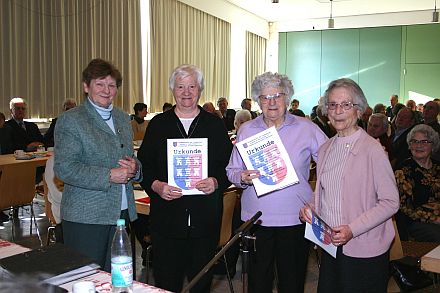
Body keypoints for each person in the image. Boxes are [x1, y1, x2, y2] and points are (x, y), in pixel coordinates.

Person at [226, 72, 328, 293]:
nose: (271, 102)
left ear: (287, 98)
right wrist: (242, 177)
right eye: (265, 97)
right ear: (258, 101)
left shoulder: (306, 128)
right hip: (256, 219)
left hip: (295, 217)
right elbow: (231, 171)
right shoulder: (247, 129)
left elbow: (332, 164)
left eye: (277, 96)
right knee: (258, 283)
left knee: (292, 282)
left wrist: (319, 198)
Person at [137, 64, 232, 293]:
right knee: (167, 282)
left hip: (204, 220)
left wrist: (216, 181)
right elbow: (144, 166)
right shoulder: (158, 124)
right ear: (172, 90)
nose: (186, 92)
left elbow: (229, 166)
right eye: (180, 86)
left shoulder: (214, 124)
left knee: (201, 284)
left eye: (192, 86)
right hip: (167, 220)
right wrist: (156, 186)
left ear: (200, 89)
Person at [299, 78, 399, 293]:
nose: (338, 111)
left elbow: (391, 202)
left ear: (359, 110)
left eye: (346, 104)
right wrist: (310, 209)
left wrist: (352, 230)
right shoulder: (326, 147)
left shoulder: (373, 150)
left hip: (365, 249)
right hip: (330, 246)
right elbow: (324, 193)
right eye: (333, 105)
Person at [54, 58, 141, 272]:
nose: (106, 90)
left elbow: (129, 157)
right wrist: (109, 175)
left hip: (119, 212)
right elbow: (65, 168)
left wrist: (135, 168)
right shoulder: (71, 120)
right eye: (100, 84)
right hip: (86, 216)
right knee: (87, 280)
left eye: (112, 85)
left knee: (116, 277)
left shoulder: (122, 118)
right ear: (86, 86)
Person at [394, 124, 440, 242]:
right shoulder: (403, 170)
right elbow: (406, 207)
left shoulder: (438, 167)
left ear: (433, 145)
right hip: (414, 222)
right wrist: (435, 218)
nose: (418, 145)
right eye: (414, 141)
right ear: (409, 145)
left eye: (424, 142)